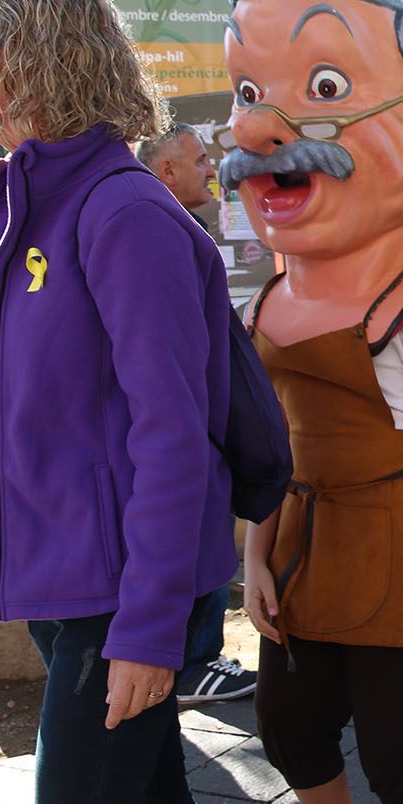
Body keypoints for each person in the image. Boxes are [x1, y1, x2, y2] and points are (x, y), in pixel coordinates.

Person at [0, 0, 237, 804]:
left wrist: (146, 628)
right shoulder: (24, 204)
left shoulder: (122, 213)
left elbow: (174, 437)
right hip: (72, 585)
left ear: (34, 55)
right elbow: (25, 409)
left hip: (121, 598)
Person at [223, 0, 403, 804]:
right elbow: (262, 442)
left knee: (398, 730)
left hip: (392, 540)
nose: (256, 126)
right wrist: (255, 554)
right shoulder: (270, 297)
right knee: (288, 719)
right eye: (250, 90)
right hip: (296, 532)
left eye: (324, 88)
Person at [134, 122, 258, 707]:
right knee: (198, 536)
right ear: (166, 172)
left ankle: (195, 659)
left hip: (195, 417)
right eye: (200, 159)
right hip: (186, 423)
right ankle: (193, 664)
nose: (211, 168)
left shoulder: (169, 226)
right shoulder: (157, 234)